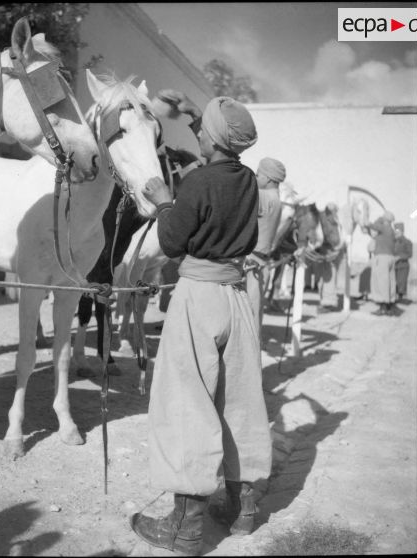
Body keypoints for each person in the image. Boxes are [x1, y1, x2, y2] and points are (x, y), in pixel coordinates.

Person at [130, 91, 272, 555]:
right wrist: (198, 118)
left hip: (197, 299)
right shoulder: (248, 180)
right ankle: (242, 510)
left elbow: (172, 243)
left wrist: (165, 200)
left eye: (203, 131)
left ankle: (185, 527)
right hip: (234, 297)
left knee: (186, 402)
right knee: (240, 401)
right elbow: (220, 167)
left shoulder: (194, 184)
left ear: (210, 140)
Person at [244, 157, 285, 337]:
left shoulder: (263, 196)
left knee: (246, 319)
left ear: (268, 178)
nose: (255, 177)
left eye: (258, 174)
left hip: (251, 263)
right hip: (261, 264)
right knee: (254, 316)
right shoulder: (276, 199)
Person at [366, 210, 397, 315]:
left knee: (381, 282)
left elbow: (372, 225)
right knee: (390, 282)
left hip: (382, 258)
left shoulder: (384, 228)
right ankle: (389, 306)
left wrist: (380, 218)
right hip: (391, 258)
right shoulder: (391, 231)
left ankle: (383, 307)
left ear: (385, 220)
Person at [316, 202, 345, 312]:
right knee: (327, 276)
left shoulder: (330, 220)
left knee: (329, 276)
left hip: (330, 250)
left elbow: (332, 236)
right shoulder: (332, 220)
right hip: (328, 249)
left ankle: (327, 303)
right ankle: (326, 301)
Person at [393, 222, 413, 302]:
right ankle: (395, 297)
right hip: (394, 265)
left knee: (402, 281)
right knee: (395, 282)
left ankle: (400, 298)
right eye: (395, 232)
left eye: (398, 232)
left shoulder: (407, 242)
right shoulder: (393, 242)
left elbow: (409, 254)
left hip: (403, 265)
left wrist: (399, 257)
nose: (396, 233)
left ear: (402, 231)